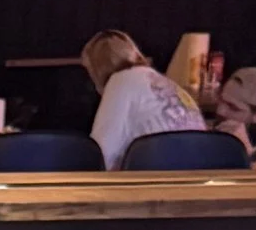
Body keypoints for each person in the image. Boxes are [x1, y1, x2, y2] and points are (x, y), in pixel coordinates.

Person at [81, 31, 202, 168]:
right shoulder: (165, 82)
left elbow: (101, 155)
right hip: (201, 170)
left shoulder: (120, 81)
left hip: (162, 173)